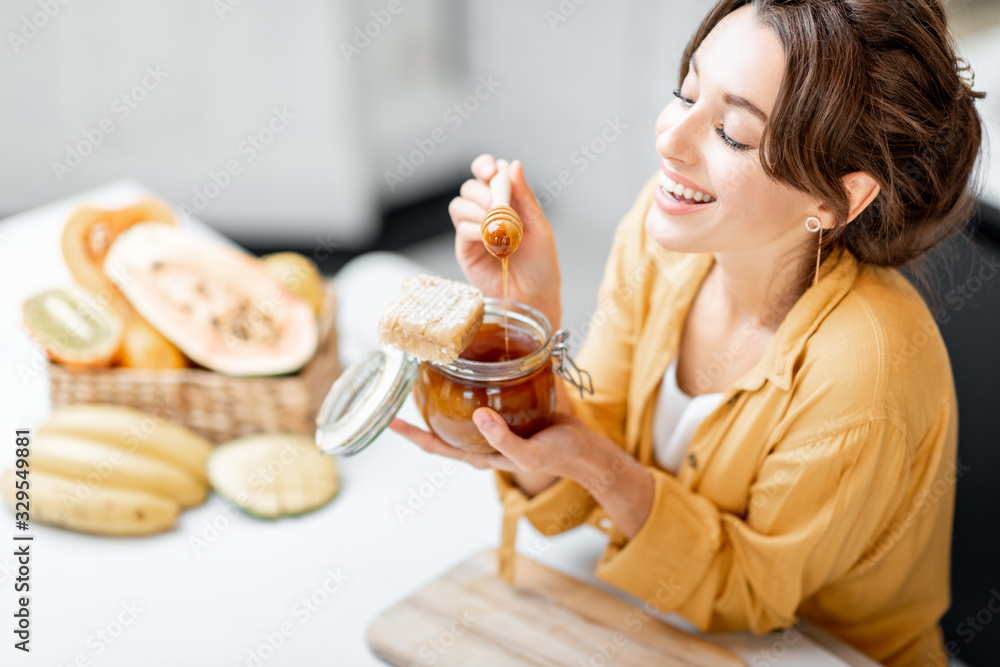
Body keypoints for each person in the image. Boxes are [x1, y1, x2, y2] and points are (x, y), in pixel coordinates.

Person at [389, 0, 984, 664]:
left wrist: (597, 466)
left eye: (730, 132)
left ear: (837, 200)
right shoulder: (666, 231)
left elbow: (750, 596)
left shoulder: (863, 366)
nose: (670, 139)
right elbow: (584, 473)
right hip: (654, 622)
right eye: (687, 92)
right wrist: (531, 324)